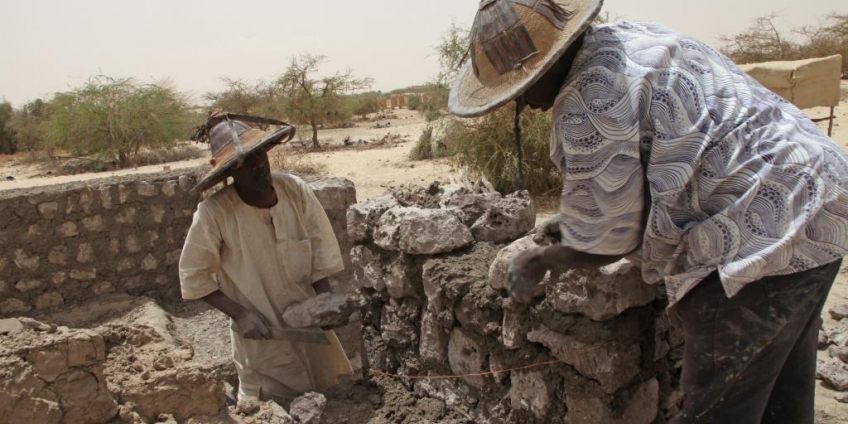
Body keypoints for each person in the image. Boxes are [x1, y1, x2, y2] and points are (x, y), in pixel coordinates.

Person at [449, 1, 848, 423]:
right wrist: (573, 224)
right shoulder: (633, 40)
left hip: (757, 235)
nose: (526, 102)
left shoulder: (590, 97)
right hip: (820, 194)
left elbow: (611, 241)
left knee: (718, 409)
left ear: (551, 63)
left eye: (525, 85)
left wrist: (543, 260)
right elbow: (657, 164)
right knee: (783, 394)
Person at [179, 113, 353, 403]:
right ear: (230, 172)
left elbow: (320, 251)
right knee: (270, 406)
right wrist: (240, 314)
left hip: (308, 328)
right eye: (245, 161)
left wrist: (323, 300)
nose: (258, 164)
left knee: (324, 398)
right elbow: (194, 275)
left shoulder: (294, 190)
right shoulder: (214, 214)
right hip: (263, 334)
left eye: (259, 154)